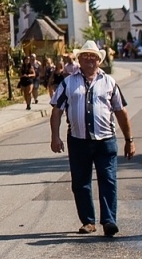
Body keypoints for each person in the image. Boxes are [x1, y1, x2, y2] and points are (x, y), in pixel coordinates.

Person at [48, 41, 134, 237]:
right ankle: (88, 221)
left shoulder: (109, 82)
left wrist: (129, 139)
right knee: (80, 182)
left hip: (105, 140)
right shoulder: (68, 82)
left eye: (93, 56)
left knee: (108, 180)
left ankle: (109, 221)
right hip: (78, 140)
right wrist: (55, 137)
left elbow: (121, 111)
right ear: (79, 59)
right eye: (85, 55)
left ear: (99, 60)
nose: (89, 59)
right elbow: (56, 111)